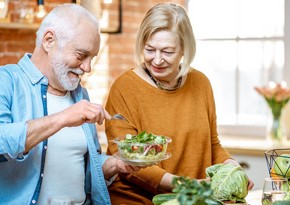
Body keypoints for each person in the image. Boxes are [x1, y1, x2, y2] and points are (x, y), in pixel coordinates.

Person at [105, 2, 254, 205]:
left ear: (184, 48)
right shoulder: (124, 88)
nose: (157, 60)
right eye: (150, 49)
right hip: (138, 200)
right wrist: (189, 186)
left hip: (191, 198)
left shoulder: (201, 83)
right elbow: (126, 160)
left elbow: (212, 144)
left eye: (167, 51)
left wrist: (232, 169)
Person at [0, 3, 140, 205]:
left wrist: (114, 164)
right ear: (49, 41)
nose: (88, 67)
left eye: (92, 58)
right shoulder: (7, 80)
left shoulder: (80, 94)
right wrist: (63, 118)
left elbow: (80, 173)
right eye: (82, 55)